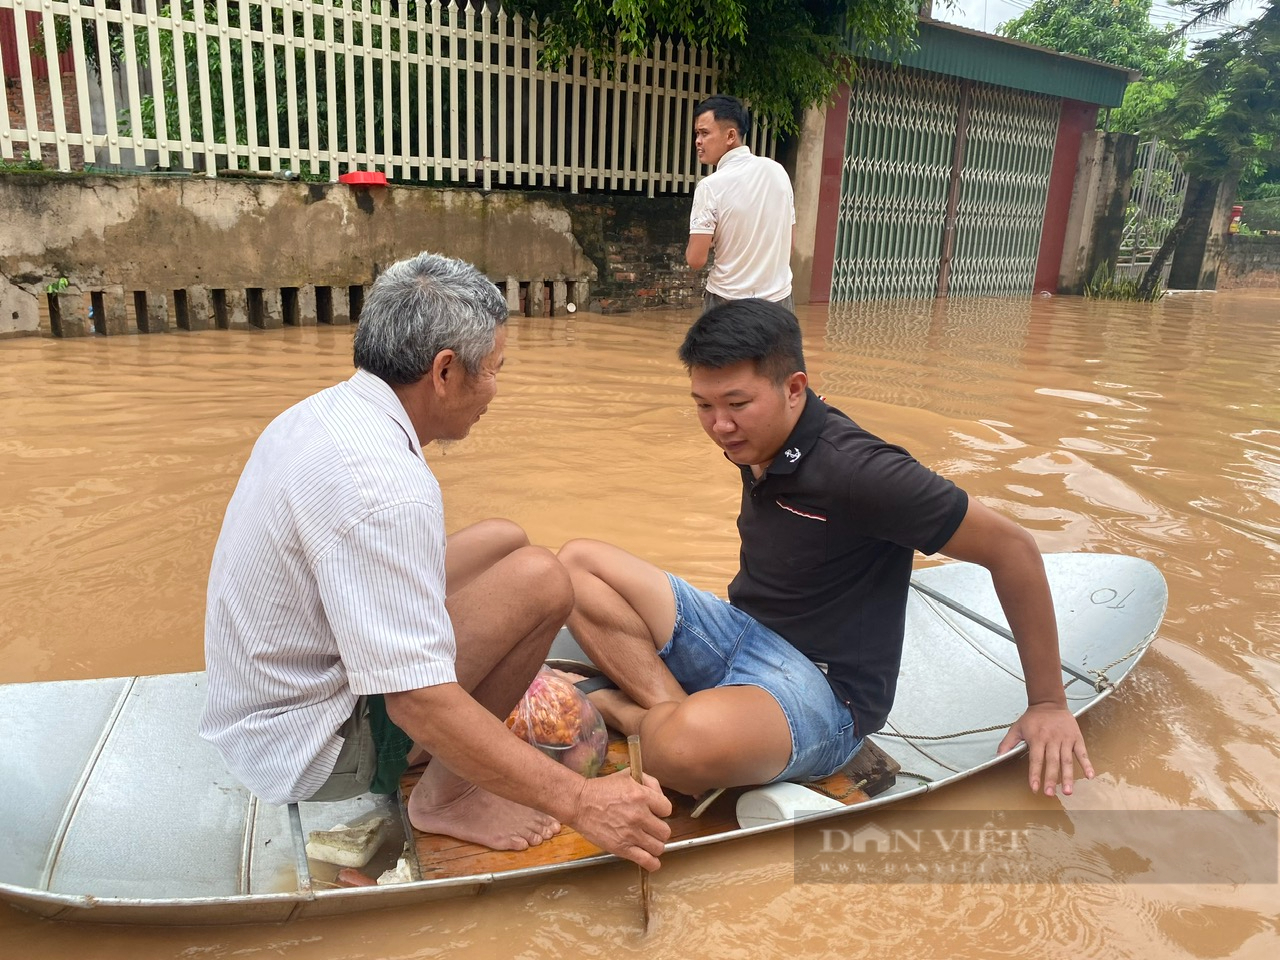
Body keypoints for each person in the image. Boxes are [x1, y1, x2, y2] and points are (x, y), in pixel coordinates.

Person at [200, 252, 670, 868]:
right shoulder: (386, 485)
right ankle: (448, 798)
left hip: (264, 703)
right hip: (311, 748)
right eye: (495, 370)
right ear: (445, 372)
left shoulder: (324, 413)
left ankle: (444, 760)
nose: (496, 390)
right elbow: (414, 701)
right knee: (542, 581)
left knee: (506, 538)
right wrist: (583, 801)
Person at [559, 298, 1092, 802]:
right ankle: (673, 710)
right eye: (704, 405)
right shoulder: (754, 440)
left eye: (738, 404)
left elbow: (1014, 549)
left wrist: (1048, 703)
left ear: (795, 389)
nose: (720, 426)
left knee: (678, 751)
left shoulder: (864, 473)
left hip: (824, 693)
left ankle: (629, 713)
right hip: (746, 636)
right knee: (574, 566)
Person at [686, 95, 795, 312]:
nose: (698, 141)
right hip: (780, 304)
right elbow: (788, 245)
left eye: (705, 133)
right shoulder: (778, 172)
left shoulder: (710, 187)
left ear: (730, 135)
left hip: (728, 305)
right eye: (697, 134)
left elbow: (695, 259)